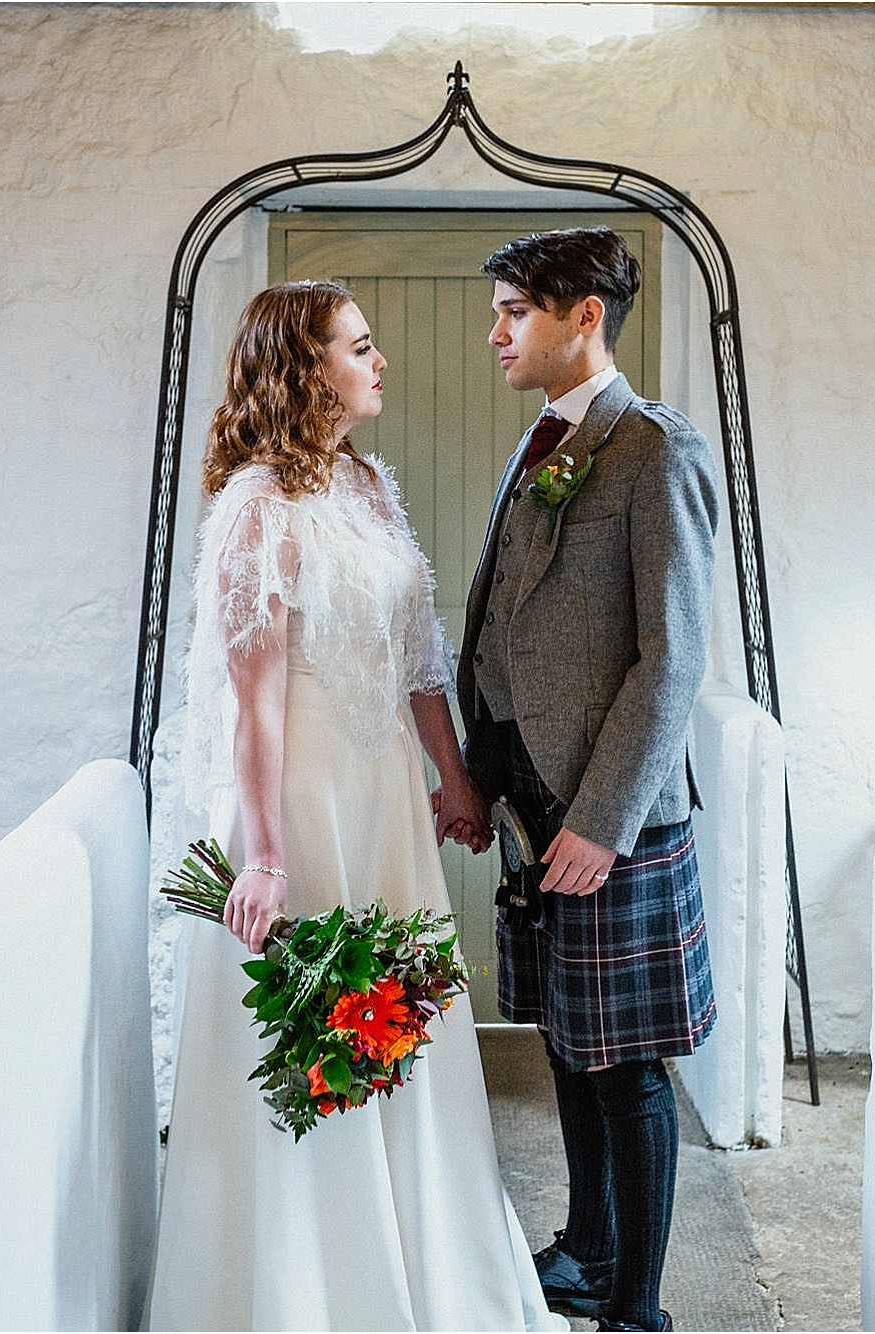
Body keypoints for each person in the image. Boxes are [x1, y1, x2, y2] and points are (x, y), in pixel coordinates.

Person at [149, 280, 560, 1332]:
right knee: (312, 1037)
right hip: (301, 802)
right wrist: (270, 857)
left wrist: (453, 773)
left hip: (381, 797)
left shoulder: (367, 487)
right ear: (304, 370)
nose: (380, 363)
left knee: (403, 1028)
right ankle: (312, 1292)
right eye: (360, 347)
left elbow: (418, 654)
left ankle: (426, 1273)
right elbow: (253, 703)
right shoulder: (253, 506)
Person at [454, 229, 720, 1333]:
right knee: (567, 1041)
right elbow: (502, 620)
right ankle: (589, 1245)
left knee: (626, 1065)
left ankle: (637, 1308)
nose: (496, 331)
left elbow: (673, 657)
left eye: (516, 309)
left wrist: (603, 821)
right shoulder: (546, 441)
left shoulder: (651, 448)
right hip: (531, 805)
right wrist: (478, 770)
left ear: (583, 317)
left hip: (610, 816)